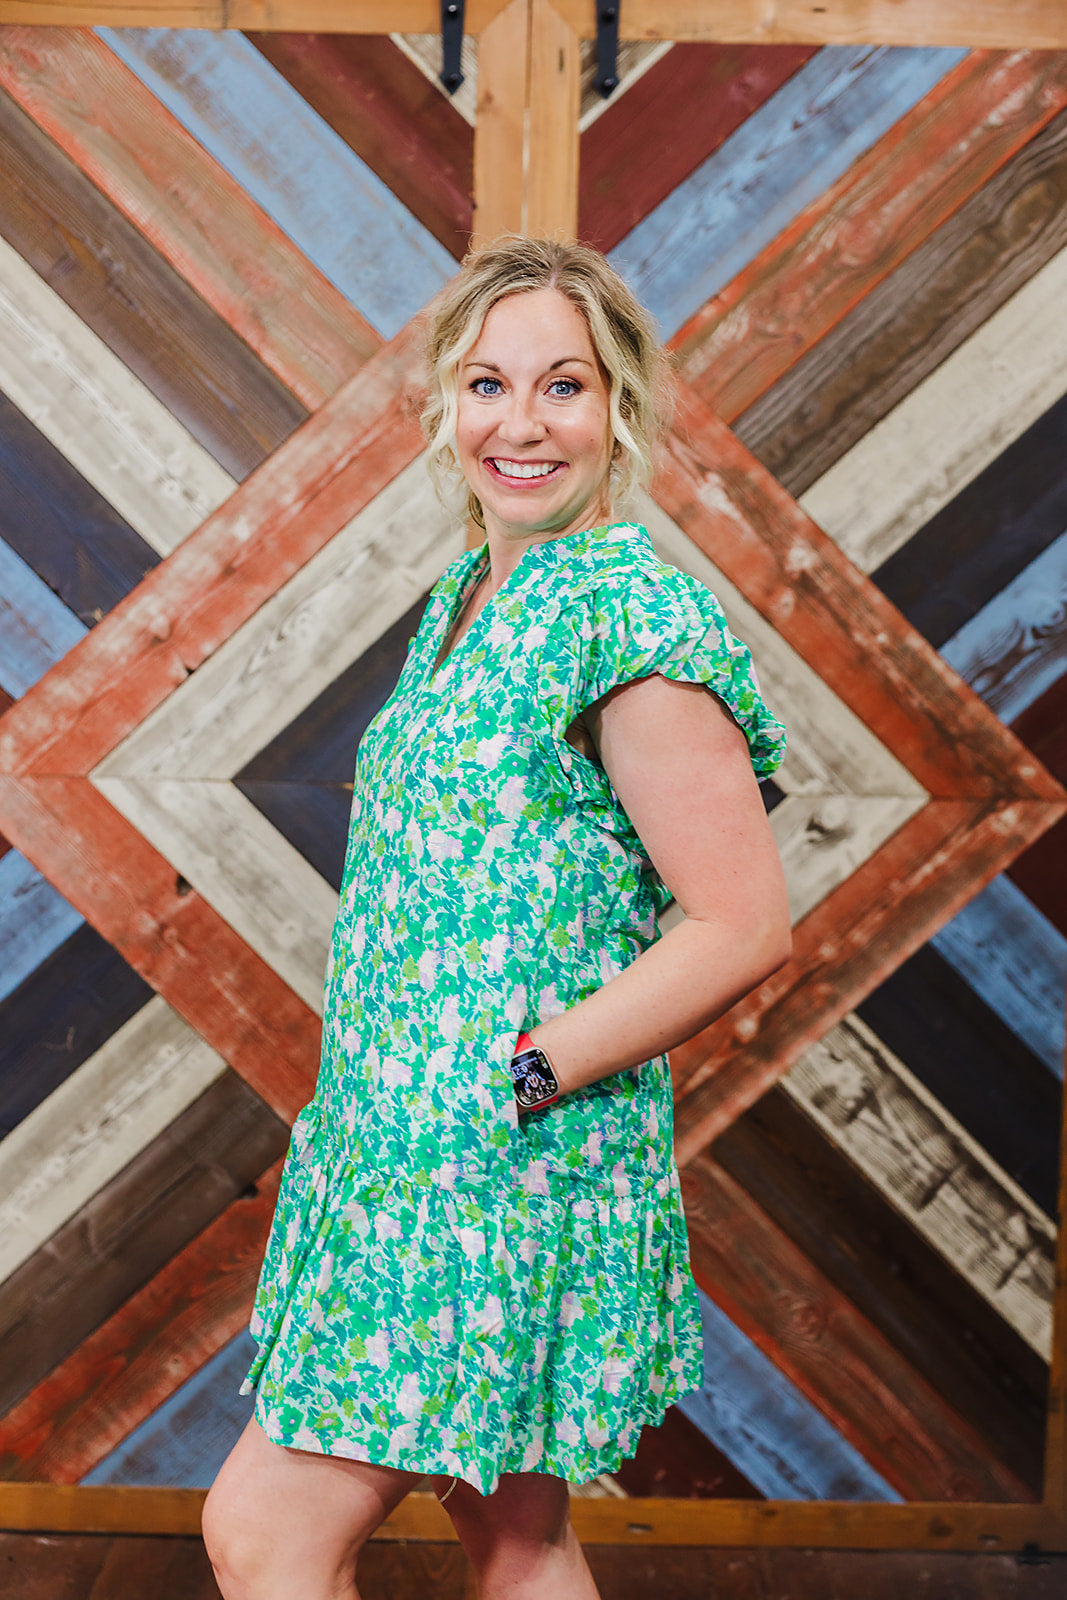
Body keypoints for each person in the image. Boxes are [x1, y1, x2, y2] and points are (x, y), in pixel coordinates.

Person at [203, 236, 791, 1600]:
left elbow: (740, 924)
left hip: (496, 1169)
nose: (520, 423)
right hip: (396, 1155)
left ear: (620, 406)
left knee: (267, 1534)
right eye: (488, 384)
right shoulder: (470, 597)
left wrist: (519, 1079)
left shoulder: (628, 616)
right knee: (517, 1540)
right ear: (445, 406)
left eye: (563, 386)